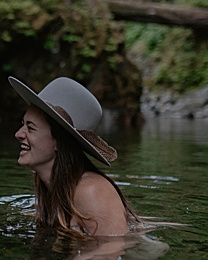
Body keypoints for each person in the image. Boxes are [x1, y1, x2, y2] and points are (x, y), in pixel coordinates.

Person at [9, 76, 138, 237]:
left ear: (58, 142)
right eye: (23, 124)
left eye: (31, 128)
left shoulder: (92, 191)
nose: (18, 134)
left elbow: (113, 251)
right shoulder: (52, 187)